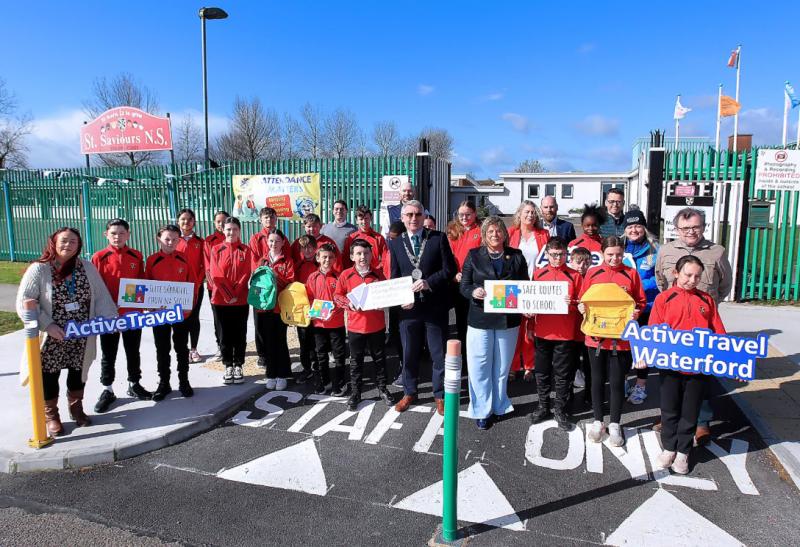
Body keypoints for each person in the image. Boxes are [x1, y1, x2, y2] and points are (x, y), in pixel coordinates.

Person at [17, 227, 117, 436]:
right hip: (52, 336)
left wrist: (110, 320)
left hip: (81, 335)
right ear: (54, 242)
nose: (68, 245)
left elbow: (101, 297)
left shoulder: (86, 267)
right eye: (64, 240)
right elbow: (25, 301)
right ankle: (51, 415)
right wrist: (47, 325)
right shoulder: (39, 269)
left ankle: (76, 408)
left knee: (78, 373)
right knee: (49, 375)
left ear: (78, 245)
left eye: (73, 241)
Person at [654, 207, 732, 444]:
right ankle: (671, 418)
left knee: (700, 377)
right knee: (672, 377)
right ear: (677, 228)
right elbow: (661, 280)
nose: (691, 231)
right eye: (685, 227)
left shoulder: (716, 252)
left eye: (696, 227)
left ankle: (702, 422)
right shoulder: (666, 250)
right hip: (674, 328)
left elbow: (725, 284)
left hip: (702, 323)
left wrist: (708, 304)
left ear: (703, 227)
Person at [646, 255, 726, 474]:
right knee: (669, 410)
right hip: (670, 366)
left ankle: (683, 452)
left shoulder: (706, 300)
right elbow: (653, 330)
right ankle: (669, 448)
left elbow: (719, 332)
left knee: (690, 412)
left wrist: (732, 361)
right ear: (676, 273)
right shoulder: (664, 298)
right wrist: (645, 354)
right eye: (688, 275)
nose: (692, 280)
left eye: (697, 276)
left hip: (698, 368)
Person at [459, 216, 528, 429]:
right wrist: (474, 291)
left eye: (498, 231)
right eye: (490, 232)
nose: (495, 235)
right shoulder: (473, 255)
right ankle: (481, 410)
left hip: (508, 320)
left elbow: (525, 285)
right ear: (484, 235)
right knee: (479, 366)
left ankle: (499, 405)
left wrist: (528, 303)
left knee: (501, 367)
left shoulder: (516, 256)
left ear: (505, 234)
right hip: (480, 318)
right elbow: (464, 285)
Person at [388, 200, 456, 415]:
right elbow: (395, 276)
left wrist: (429, 282)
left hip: (434, 306)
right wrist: (401, 298)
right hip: (409, 310)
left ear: (424, 216)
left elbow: (449, 269)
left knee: (438, 355)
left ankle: (439, 394)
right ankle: (409, 392)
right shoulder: (395, 243)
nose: (414, 218)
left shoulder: (437, 238)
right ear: (402, 218)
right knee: (409, 353)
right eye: (409, 215)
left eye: (418, 214)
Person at [579, 235, 647, 447]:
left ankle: (615, 423)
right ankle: (598, 420)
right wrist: (581, 307)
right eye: (610, 254)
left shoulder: (631, 274)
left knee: (617, 382)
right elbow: (582, 298)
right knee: (597, 380)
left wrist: (637, 312)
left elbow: (641, 301)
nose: (614, 258)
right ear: (602, 253)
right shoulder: (593, 272)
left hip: (621, 339)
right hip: (596, 338)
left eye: (618, 254)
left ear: (624, 253)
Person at [91, 218, 149, 414]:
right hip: (108, 316)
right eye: (113, 233)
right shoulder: (99, 257)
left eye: (122, 233)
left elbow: (141, 283)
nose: (117, 237)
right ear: (106, 235)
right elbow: (95, 287)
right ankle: (107, 389)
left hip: (132, 314)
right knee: (109, 353)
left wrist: (143, 304)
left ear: (128, 235)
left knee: (133, 351)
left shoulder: (136, 256)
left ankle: (134, 383)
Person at [530, 237, 583, 431]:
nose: (557, 258)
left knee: (562, 374)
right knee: (542, 372)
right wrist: (529, 321)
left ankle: (560, 410)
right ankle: (543, 406)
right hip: (542, 331)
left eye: (561, 254)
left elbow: (582, 303)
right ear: (546, 254)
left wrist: (573, 303)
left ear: (566, 254)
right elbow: (530, 300)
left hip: (564, 333)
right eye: (553, 255)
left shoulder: (574, 275)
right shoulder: (538, 273)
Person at [334, 239, 394, 411]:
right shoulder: (345, 275)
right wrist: (348, 303)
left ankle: (383, 389)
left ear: (371, 255)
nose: (363, 257)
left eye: (366, 253)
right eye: (359, 253)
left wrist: (385, 302)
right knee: (356, 361)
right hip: (356, 327)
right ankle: (356, 392)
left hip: (377, 326)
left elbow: (387, 294)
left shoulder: (378, 274)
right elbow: (337, 295)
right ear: (352, 256)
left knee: (379, 359)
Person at [145, 224, 195, 400]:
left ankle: (184, 381)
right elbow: (146, 285)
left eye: (175, 239)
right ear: (159, 239)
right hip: (159, 314)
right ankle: (164, 383)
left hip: (180, 313)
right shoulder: (152, 260)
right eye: (167, 239)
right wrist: (150, 306)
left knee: (181, 348)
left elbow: (192, 283)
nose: (170, 242)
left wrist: (188, 307)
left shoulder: (184, 258)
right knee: (162, 348)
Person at [507, 200, 550, 381]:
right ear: (520, 214)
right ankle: (513, 365)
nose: (530, 215)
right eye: (527, 212)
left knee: (531, 326)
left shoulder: (543, 234)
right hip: (514, 285)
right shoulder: (511, 233)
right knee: (515, 326)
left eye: (533, 212)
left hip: (535, 285)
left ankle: (529, 366)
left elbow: (547, 260)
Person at [621, 210, 660, 405]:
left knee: (642, 350)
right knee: (623, 348)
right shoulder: (620, 247)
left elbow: (661, 278)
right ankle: (623, 381)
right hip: (624, 309)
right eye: (630, 227)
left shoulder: (655, 249)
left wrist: (639, 286)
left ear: (644, 228)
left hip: (647, 307)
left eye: (638, 226)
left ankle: (641, 386)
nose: (634, 230)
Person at [209, 217, 252, 385]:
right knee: (224, 334)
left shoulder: (245, 250)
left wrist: (236, 293)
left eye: (234, 229)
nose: (231, 232)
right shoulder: (216, 249)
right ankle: (228, 365)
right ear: (223, 230)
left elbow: (245, 273)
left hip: (240, 300)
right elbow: (215, 273)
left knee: (239, 333)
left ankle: (238, 365)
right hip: (220, 300)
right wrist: (228, 295)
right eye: (228, 229)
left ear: (239, 231)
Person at [253, 229, 295, 391]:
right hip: (265, 308)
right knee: (268, 342)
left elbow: (291, 283)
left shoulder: (287, 261)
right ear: (267, 242)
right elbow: (256, 282)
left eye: (277, 241)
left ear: (283, 243)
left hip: (280, 307)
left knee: (280, 341)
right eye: (271, 241)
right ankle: (271, 374)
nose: (274, 244)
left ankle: (282, 374)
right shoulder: (262, 261)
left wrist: (276, 276)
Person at [306, 243, 347, 394]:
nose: (327, 260)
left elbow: (343, 299)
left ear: (335, 259)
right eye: (324, 257)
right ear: (317, 258)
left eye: (330, 257)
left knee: (339, 355)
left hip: (336, 324)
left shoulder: (339, 277)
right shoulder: (312, 277)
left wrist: (333, 312)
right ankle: (325, 381)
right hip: (319, 324)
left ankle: (341, 382)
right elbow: (309, 298)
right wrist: (313, 310)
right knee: (321, 354)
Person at [447, 201, 482, 363]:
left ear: (474, 214)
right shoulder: (453, 231)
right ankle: (463, 359)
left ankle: (475, 358)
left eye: (468, 214)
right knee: (461, 322)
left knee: (474, 322)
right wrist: (454, 274)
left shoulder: (480, 230)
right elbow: (449, 256)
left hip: (474, 283)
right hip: (457, 282)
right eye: (461, 214)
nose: (464, 218)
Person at [176, 208, 206, 364]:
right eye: (183, 219)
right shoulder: (173, 240)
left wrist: (198, 282)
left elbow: (204, 265)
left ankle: (193, 349)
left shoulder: (200, 242)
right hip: (177, 288)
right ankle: (183, 349)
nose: (186, 222)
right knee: (179, 319)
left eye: (189, 219)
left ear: (194, 222)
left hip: (195, 287)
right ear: (178, 221)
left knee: (194, 317)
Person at [204, 210, 230, 359]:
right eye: (218, 221)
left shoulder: (233, 237)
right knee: (218, 318)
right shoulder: (209, 241)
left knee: (232, 318)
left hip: (232, 287)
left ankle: (233, 346)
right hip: (215, 287)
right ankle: (221, 346)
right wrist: (215, 285)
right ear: (214, 223)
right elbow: (208, 265)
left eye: (224, 221)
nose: (221, 224)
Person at [294, 234, 319, 384]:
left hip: (316, 308)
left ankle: (318, 369)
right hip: (302, 309)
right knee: (304, 342)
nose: (307, 250)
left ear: (315, 248)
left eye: (310, 247)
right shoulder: (297, 265)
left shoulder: (320, 264)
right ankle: (306, 368)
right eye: (304, 248)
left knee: (317, 341)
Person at [568, 246, 593, 404]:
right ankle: (568, 397)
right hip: (571, 329)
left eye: (586, 263)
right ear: (571, 261)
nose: (582, 266)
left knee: (590, 366)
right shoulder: (567, 278)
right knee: (570, 365)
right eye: (578, 262)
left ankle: (589, 396)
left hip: (588, 330)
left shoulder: (593, 278)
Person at [386, 220, 407, 386]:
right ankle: (401, 363)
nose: (391, 241)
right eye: (389, 238)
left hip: (403, 296)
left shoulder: (406, 251)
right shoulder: (387, 249)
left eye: (394, 238)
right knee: (394, 333)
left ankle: (406, 369)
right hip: (390, 296)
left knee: (404, 336)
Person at [342, 206, 388, 271]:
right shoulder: (351, 238)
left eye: (366, 218)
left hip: (374, 273)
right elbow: (346, 259)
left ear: (371, 218)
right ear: (357, 220)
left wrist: (377, 270)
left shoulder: (378, 238)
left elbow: (385, 258)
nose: (364, 221)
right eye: (361, 219)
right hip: (356, 274)